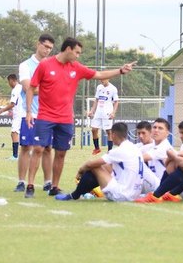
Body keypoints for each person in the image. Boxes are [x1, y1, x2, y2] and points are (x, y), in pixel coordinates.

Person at [26, 37, 136, 198]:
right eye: (77, 52)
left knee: (61, 152)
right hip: (45, 116)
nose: (78, 56)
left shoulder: (76, 68)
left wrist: (120, 71)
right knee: (38, 149)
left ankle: (54, 187)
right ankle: (30, 185)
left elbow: (99, 74)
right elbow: (31, 88)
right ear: (68, 49)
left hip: (65, 118)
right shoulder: (45, 65)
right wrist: (29, 111)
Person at [54, 122, 144, 202]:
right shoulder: (134, 148)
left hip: (122, 195)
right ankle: (83, 192)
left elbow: (90, 164)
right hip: (135, 194)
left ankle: (74, 195)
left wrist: (80, 171)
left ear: (113, 134)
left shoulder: (119, 151)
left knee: (94, 167)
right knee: (106, 166)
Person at [14, 34, 55, 194]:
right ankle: (21, 181)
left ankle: (48, 182)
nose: (47, 50)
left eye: (50, 48)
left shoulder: (52, 65)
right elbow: (27, 88)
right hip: (30, 112)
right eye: (45, 46)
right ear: (38, 44)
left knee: (47, 148)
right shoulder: (26, 65)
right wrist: (50, 89)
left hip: (48, 113)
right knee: (26, 147)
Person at [136, 119, 183, 203]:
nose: (156, 130)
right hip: (170, 185)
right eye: (154, 127)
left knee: (137, 162)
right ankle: (163, 193)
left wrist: (173, 156)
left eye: (160, 128)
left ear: (167, 133)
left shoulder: (165, 146)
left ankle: (156, 194)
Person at [0, 74, 22, 160]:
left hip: (19, 115)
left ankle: (15, 156)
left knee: (14, 133)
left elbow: (12, 104)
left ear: (11, 80)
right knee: (18, 133)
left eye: (8, 82)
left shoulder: (15, 90)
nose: (9, 84)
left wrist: (1, 111)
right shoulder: (21, 87)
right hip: (24, 113)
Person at [88, 79, 119, 155]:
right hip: (98, 112)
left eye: (103, 79)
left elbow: (116, 101)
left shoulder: (113, 88)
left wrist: (113, 113)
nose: (101, 81)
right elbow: (96, 100)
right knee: (94, 130)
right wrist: (92, 111)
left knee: (109, 132)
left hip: (107, 113)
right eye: (101, 79)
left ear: (108, 79)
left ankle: (109, 151)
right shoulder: (99, 87)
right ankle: (97, 148)